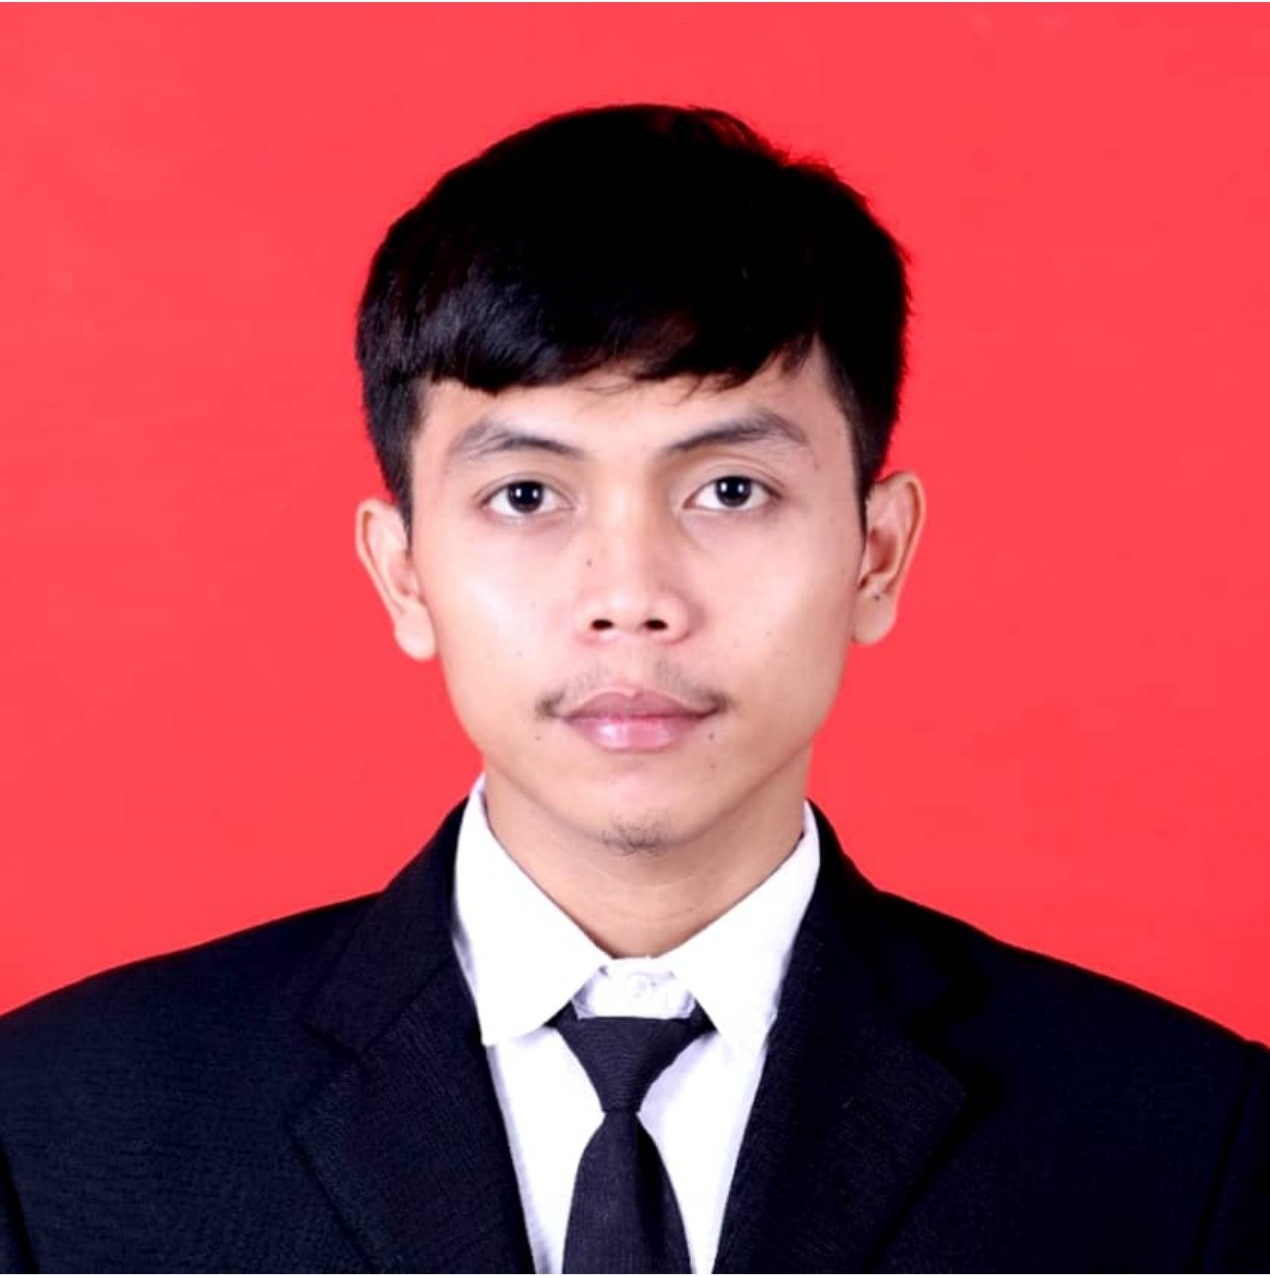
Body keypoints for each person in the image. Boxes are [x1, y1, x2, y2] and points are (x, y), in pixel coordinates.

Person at [0, 102, 1266, 1275]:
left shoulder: (1184, 1140)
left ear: (875, 555)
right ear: (403, 572)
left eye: (729, 489)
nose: (631, 595)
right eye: (526, 495)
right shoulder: (57, 1129)